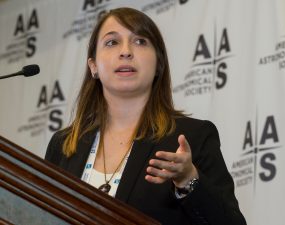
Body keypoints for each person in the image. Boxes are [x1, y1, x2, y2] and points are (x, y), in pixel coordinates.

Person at [45, 7, 246, 225]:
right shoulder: (63, 145)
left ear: (159, 63)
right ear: (93, 66)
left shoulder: (193, 137)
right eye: (112, 42)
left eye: (140, 41)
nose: (126, 52)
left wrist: (188, 179)